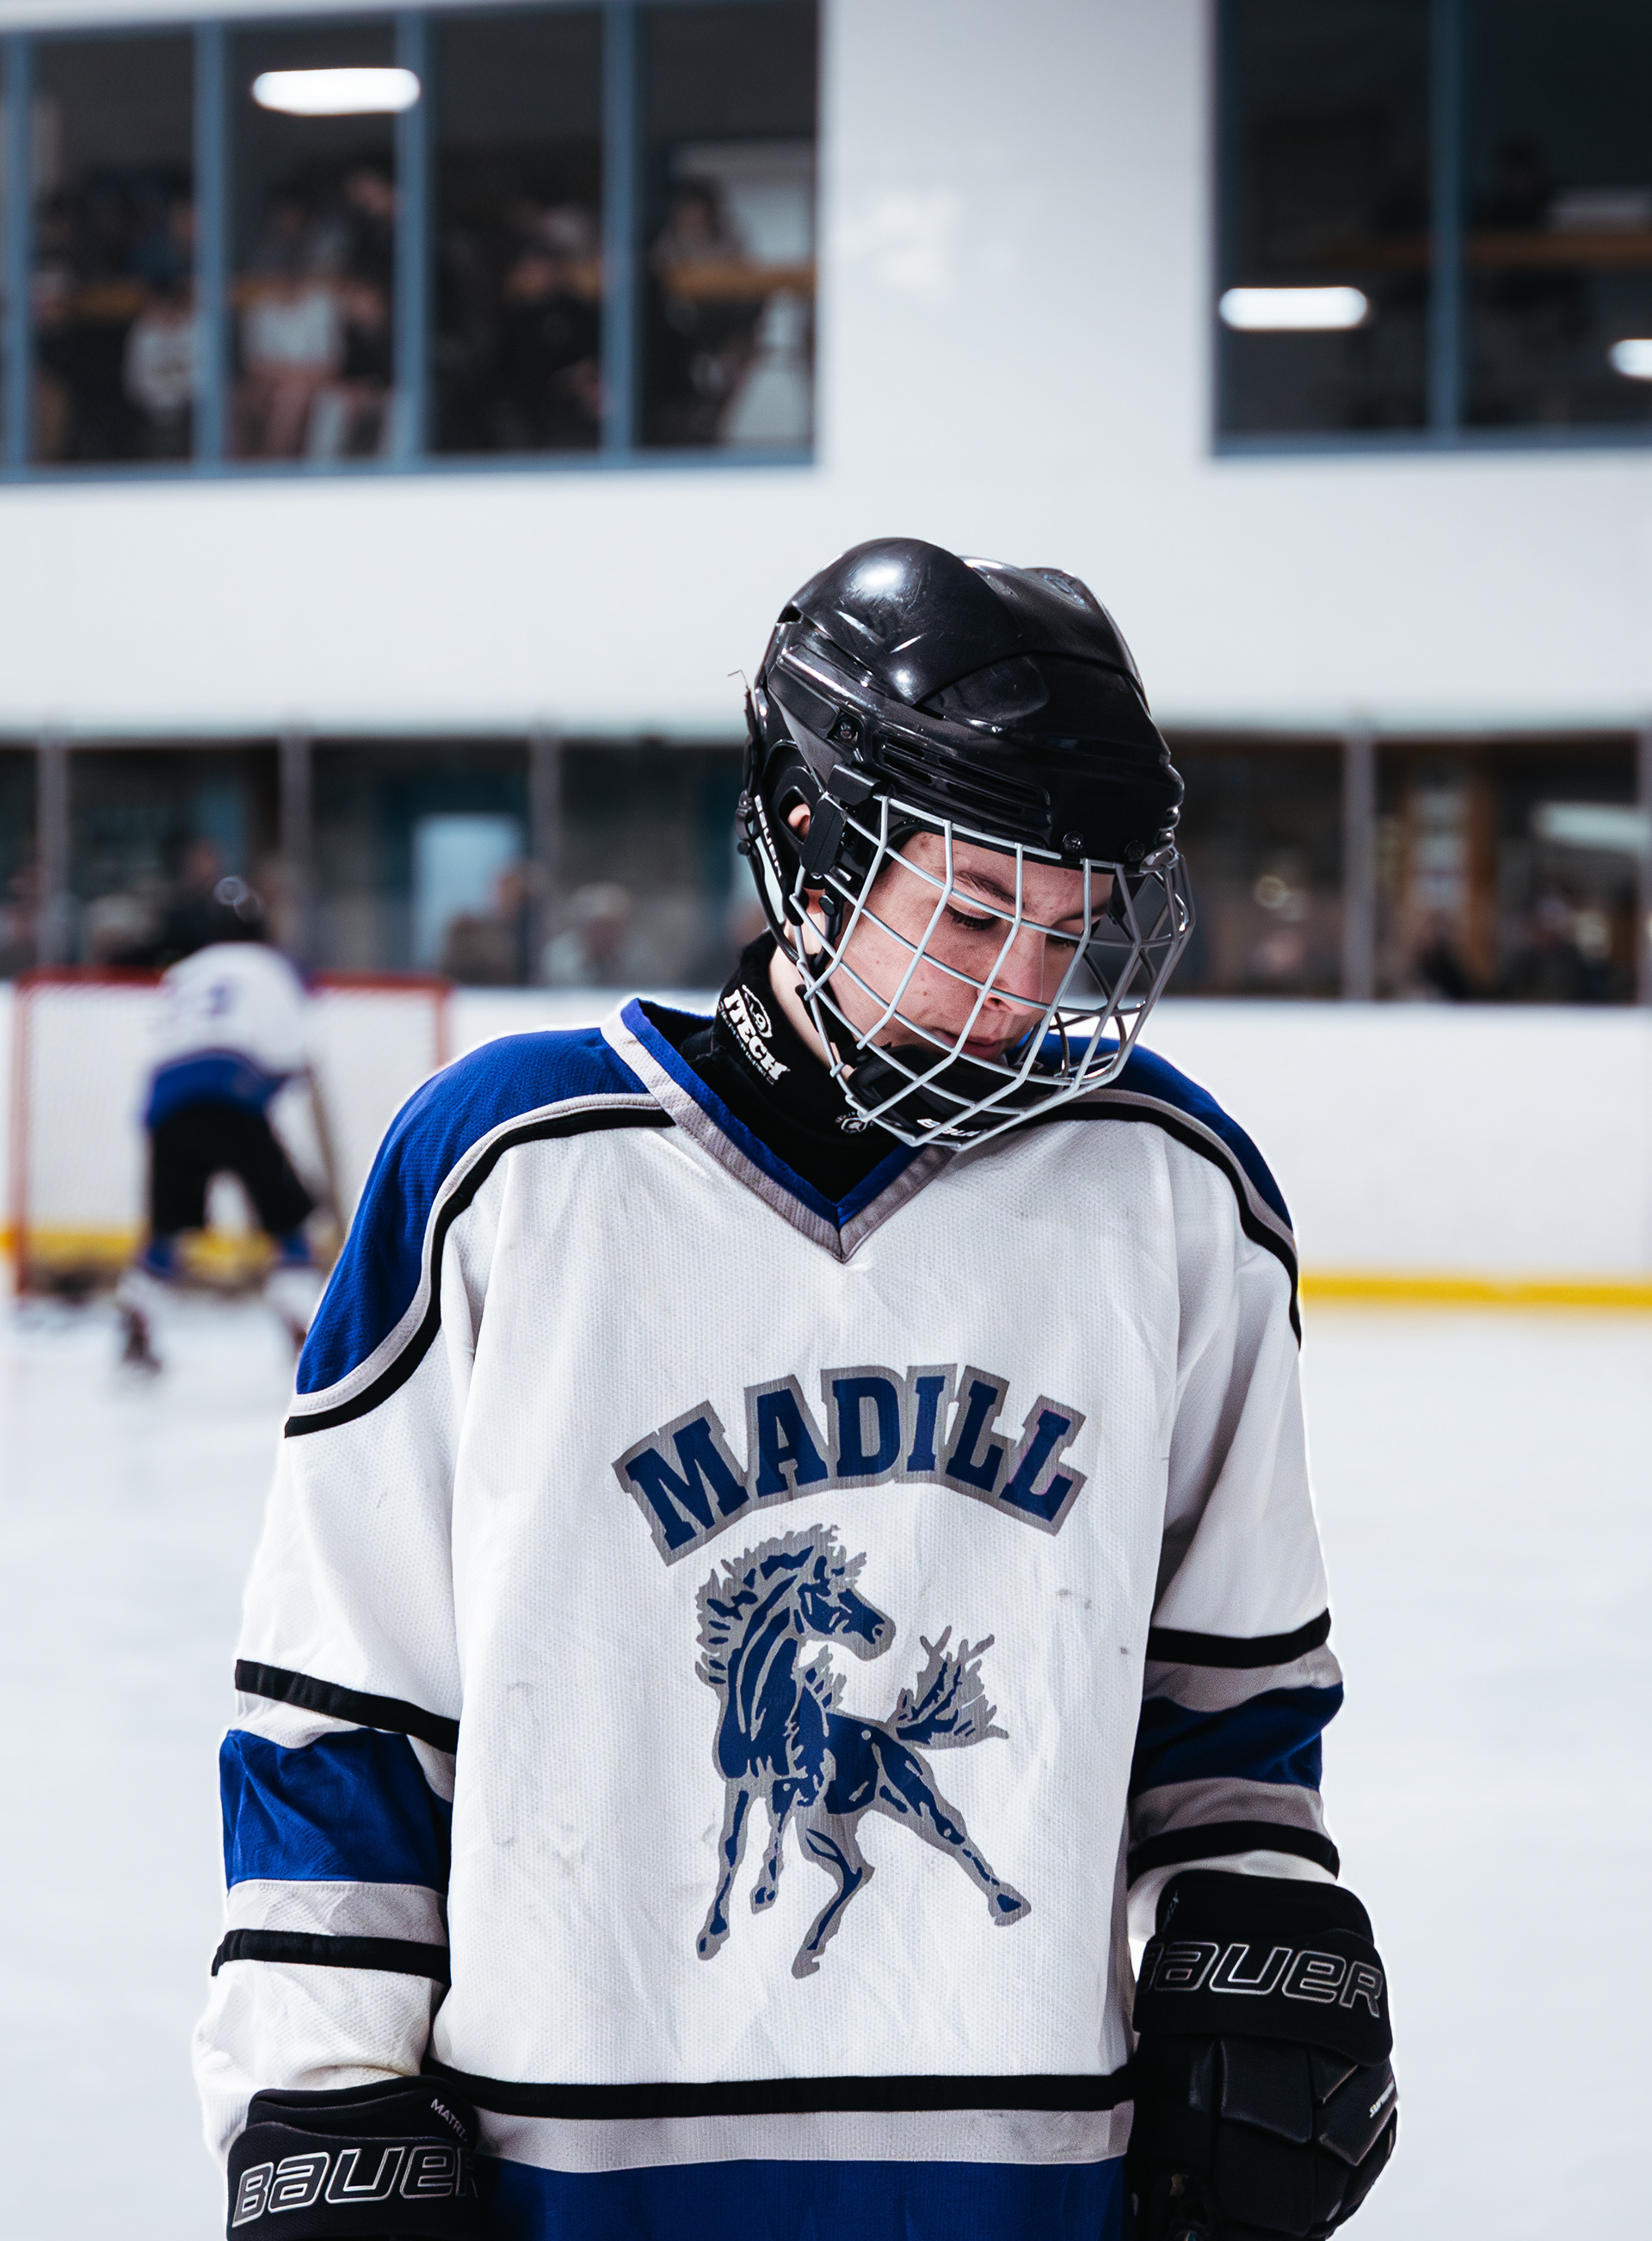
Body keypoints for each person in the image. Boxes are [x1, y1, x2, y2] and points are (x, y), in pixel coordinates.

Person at [194, 540, 1396, 2241]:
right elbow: (349, 1689)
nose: (1022, 993)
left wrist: (1264, 1926)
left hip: (1027, 2165)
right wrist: (319, 2076)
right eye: (972, 916)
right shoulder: (509, 1168)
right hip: (565, 2165)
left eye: (1067, 930)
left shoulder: (1175, 1191)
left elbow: (1232, 1692)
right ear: (811, 849)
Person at [117, 878, 326, 1370]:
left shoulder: (186, 970)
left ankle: (138, 1303)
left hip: (165, 1101)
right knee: (288, 1216)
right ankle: (301, 1318)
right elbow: (287, 1054)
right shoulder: (273, 966)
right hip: (231, 1091)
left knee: (168, 1225)